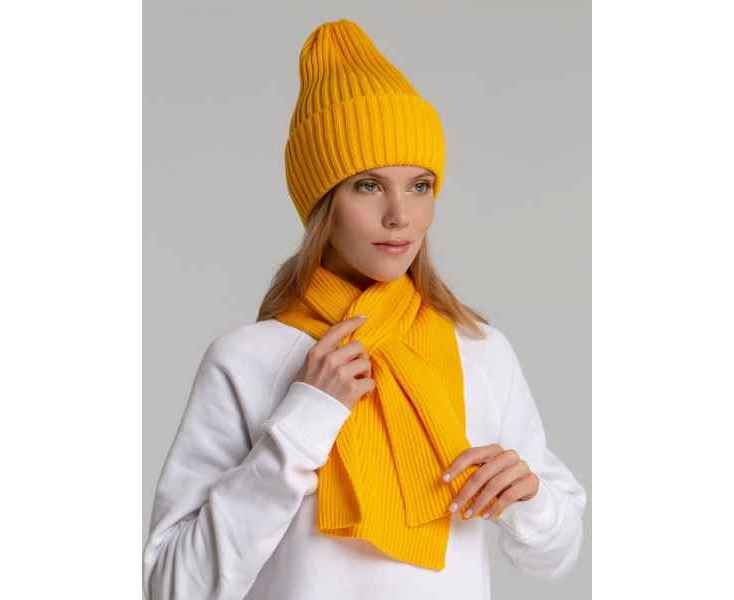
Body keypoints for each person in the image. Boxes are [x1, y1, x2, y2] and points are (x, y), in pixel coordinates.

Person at [142, 18, 587, 600]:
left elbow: (557, 555)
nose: (400, 215)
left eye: (420, 185)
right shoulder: (248, 359)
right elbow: (174, 586)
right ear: (322, 202)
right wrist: (305, 418)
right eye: (369, 186)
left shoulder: (480, 351)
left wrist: (529, 500)